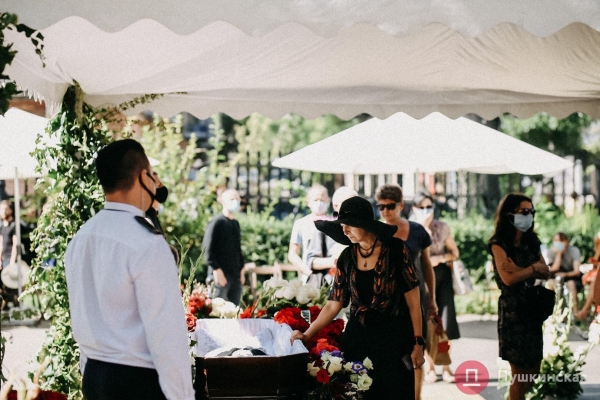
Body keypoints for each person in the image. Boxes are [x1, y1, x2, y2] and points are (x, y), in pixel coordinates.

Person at [64, 139, 194, 400]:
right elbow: (167, 337)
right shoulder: (147, 243)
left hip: (94, 376)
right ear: (144, 177)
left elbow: (82, 316)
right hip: (137, 382)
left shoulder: (82, 237)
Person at [291, 196, 425, 400]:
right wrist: (307, 335)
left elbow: (414, 303)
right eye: (342, 226)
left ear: (365, 224)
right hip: (357, 341)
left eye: (350, 225)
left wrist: (418, 344)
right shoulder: (347, 257)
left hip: (394, 342)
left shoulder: (396, 250)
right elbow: (333, 304)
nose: (345, 231)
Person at [375, 184, 437, 395]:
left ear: (401, 205)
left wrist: (432, 299)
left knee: (416, 351)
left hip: (417, 298)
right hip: (387, 301)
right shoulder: (375, 233)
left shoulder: (417, 231)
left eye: (390, 206)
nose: (385, 211)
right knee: (389, 352)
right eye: (381, 207)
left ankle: (417, 396)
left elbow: (427, 266)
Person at [488, 193, 550, 400]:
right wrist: (532, 268)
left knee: (533, 371)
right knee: (519, 373)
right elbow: (508, 279)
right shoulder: (499, 244)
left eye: (531, 211)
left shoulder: (532, 241)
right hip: (513, 311)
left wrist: (520, 270)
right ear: (509, 214)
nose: (529, 216)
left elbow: (546, 271)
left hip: (532, 308)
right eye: (524, 211)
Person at [409, 190, 459, 384]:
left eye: (429, 206)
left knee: (445, 323)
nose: (425, 210)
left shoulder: (442, 227)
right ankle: (430, 367)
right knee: (426, 322)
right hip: (420, 278)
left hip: (442, 277)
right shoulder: (410, 228)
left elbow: (455, 252)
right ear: (414, 208)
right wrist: (424, 229)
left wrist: (441, 258)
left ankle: (446, 366)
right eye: (421, 207)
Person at [304, 186, 358, 287]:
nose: (352, 209)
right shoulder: (324, 229)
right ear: (335, 206)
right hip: (331, 286)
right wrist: (335, 261)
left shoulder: (363, 230)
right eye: (347, 204)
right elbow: (311, 261)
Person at [202, 188, 245, 305]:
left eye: (237, 198)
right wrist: (216, 270)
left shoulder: (235, 224)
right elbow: (207, 250)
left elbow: (237, 249)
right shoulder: (217, 222)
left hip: (235, 277)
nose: (235, 201)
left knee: (235, 312)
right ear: (223, 201)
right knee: (217, 310)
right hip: (220, 277)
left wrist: (242, 270)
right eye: (232, 199)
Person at [288, 184, 331, 280]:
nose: (319, 203)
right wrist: (307, 271)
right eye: (315, 200)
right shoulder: (301, 224)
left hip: (332, 277)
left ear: (328, 200)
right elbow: (292, 254)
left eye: (322, 200)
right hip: (310, 278)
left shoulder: (334, 223)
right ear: (308, 202)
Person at [546, 232, 583, 313]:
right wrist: (559, 254)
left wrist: (565, 274)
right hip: (555, 277)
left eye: (560, 240)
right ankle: (551, 311)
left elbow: (577, 271)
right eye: (556, 240)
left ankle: (575, 312)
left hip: (571, 278)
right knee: (550, 283)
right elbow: (553, 269)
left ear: (566, 241)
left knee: (571, 284)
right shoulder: (550, 251)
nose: (558, 243)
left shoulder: (574, 251)